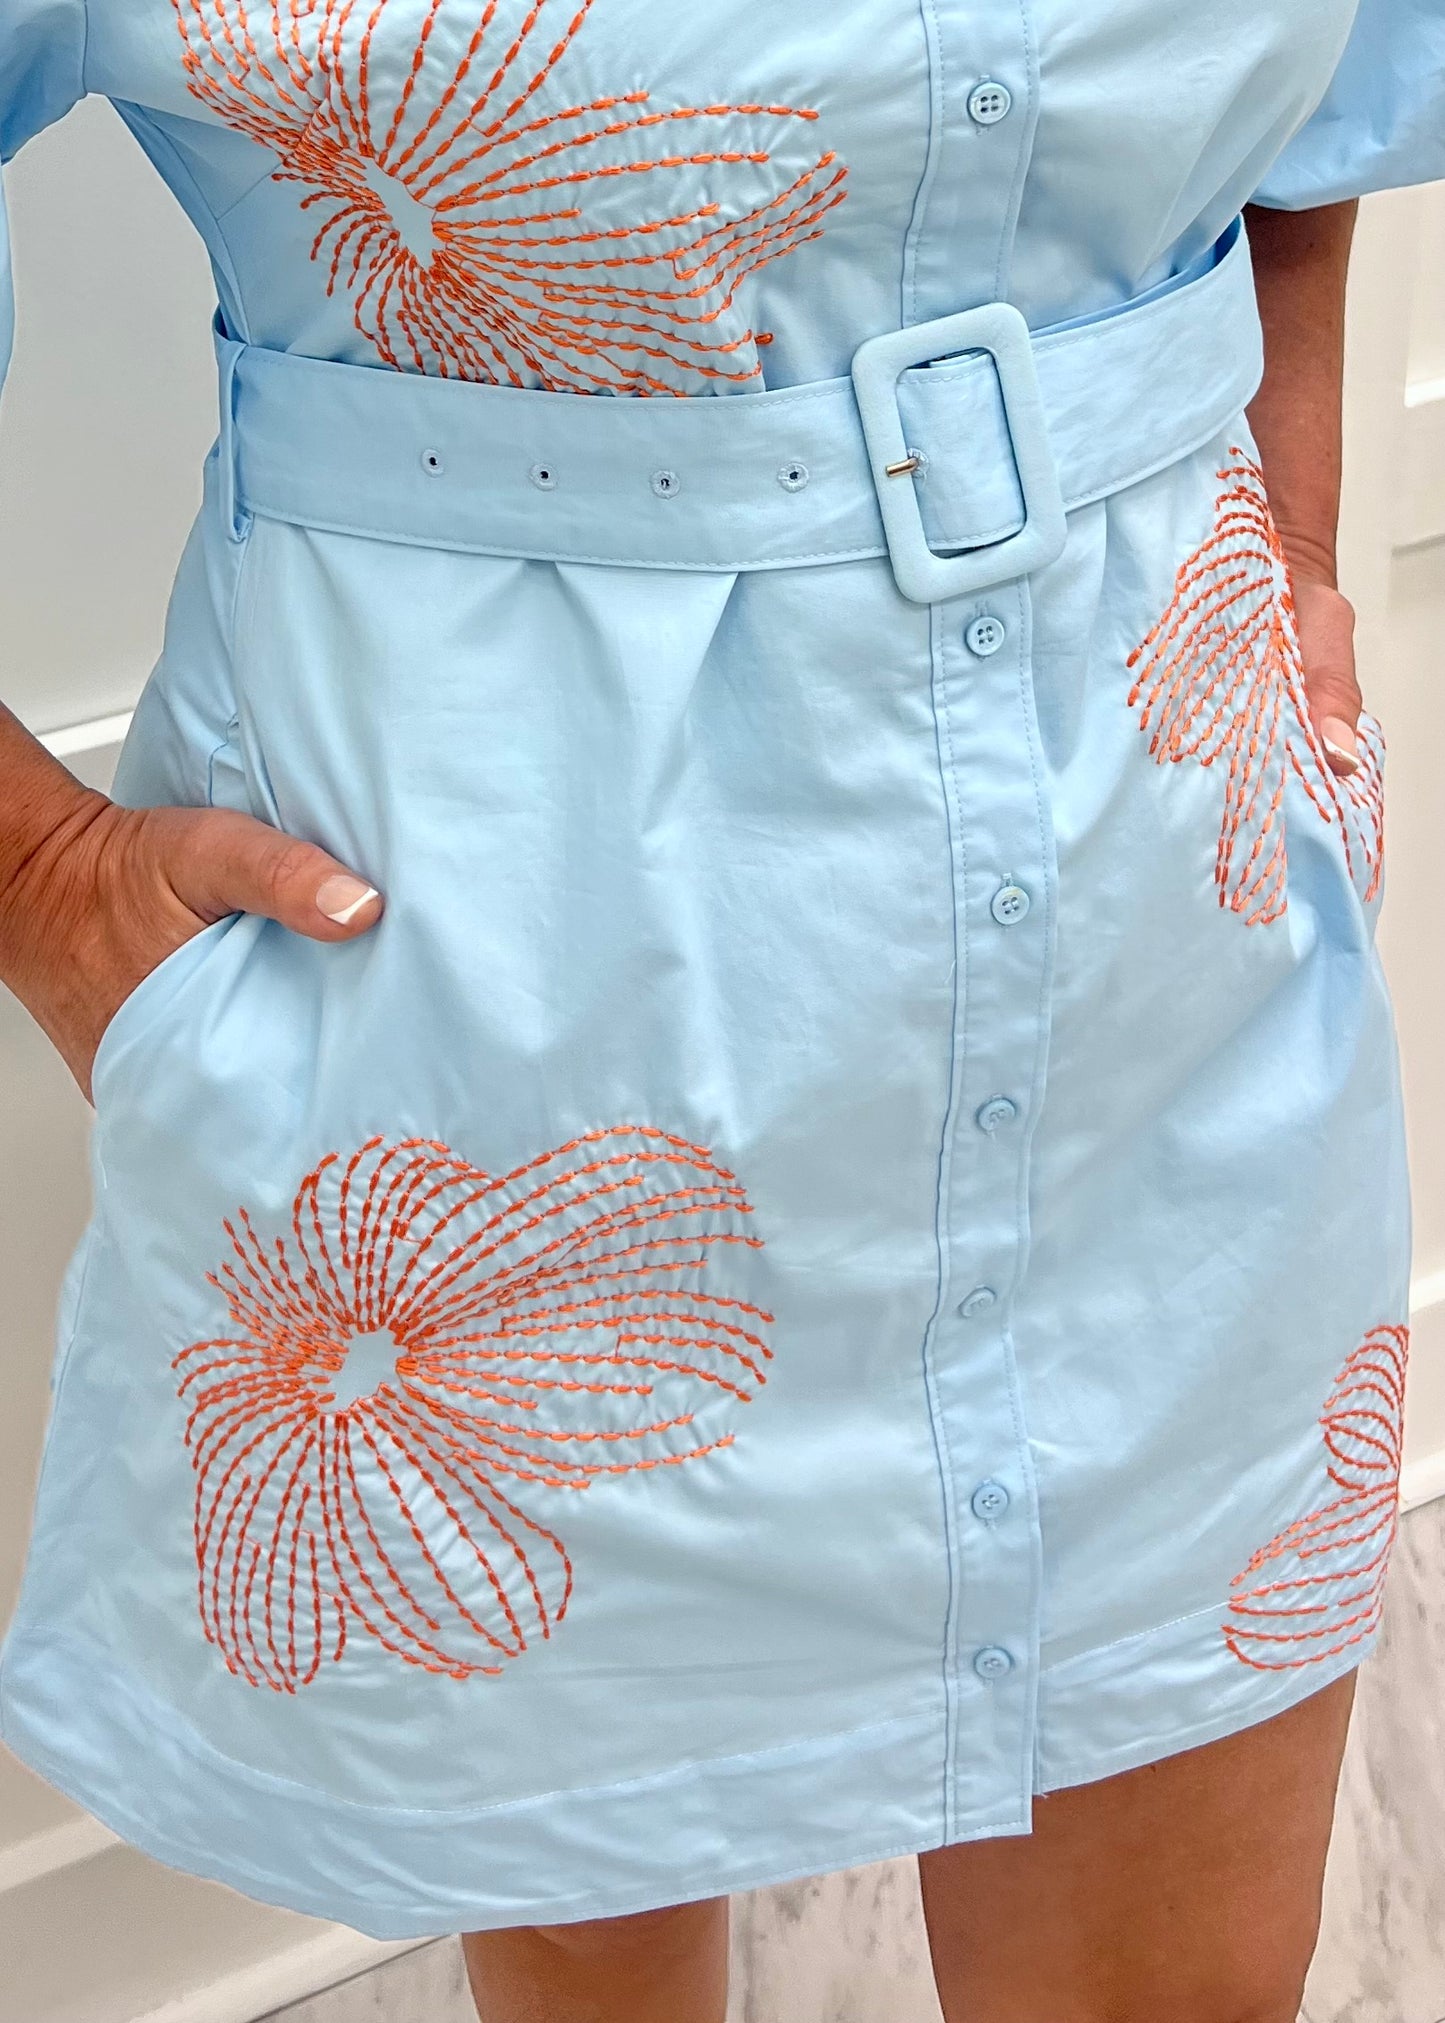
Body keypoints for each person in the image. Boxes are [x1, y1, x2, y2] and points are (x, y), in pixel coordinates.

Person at [0, 1, 1441, 2017]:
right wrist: (45, 879)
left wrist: (1284, 531)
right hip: (502, 1067)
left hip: (1163, 970)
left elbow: (1323, 99)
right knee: (587, 1918)